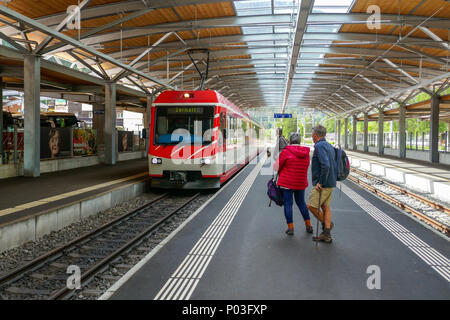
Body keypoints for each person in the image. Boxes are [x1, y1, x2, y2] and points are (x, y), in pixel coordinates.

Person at [273, 133, 312, 236]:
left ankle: (290, 228)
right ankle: (308, 225)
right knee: (301, 203)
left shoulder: (286, 152)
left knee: (288, 204)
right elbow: (306, 166)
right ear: (299, 141)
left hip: (287, 183)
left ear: (289, 141)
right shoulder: (305, 153)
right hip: (300, 182)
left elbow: (277, 167)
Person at [307, 125, 337, 243]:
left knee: (311, 206)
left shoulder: (319, 146)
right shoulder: (329, 146)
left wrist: (321, 182)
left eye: (312, 134)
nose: (311, 136)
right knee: (325, 207)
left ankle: (326, 226)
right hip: (331, 182)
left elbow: (326, 165)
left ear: (315, 134)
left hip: (323, 184)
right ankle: (327, 235)